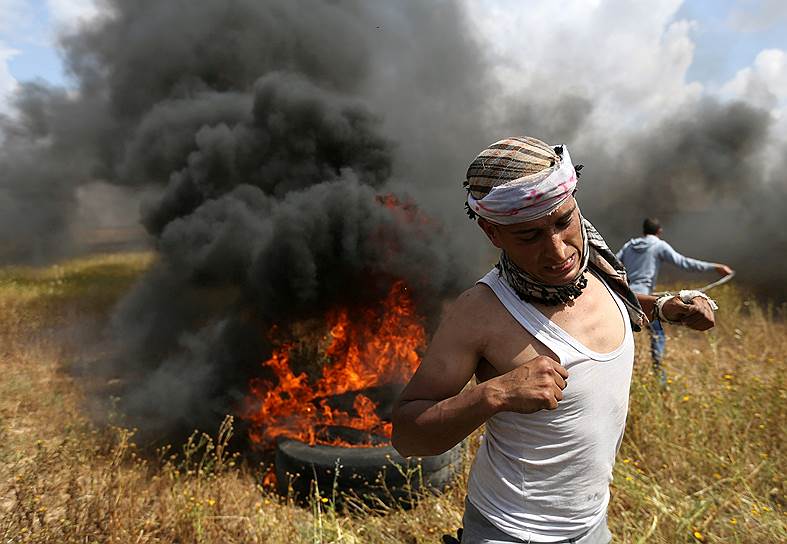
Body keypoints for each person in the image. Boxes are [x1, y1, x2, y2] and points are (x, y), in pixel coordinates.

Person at [391, 137, 717, 544]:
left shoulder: (595, 271)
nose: (558, 251)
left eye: (564, 222)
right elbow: (406, 435)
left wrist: (667, 306)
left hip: (592, 526)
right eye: (529, 237)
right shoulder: (481, 311)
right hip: (511, 533)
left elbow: (619, 304)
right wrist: (494, 393)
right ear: (493, 232)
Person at [616, 218, 733, 384]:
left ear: (643, 231)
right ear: (659, 231)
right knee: (657, 336)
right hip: (646, 301)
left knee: (623, 337)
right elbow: (685, 263)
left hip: (625, 297)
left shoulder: (629, 246)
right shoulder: (659, 245)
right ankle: (660, 380)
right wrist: (715, 267)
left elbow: (612, 263)